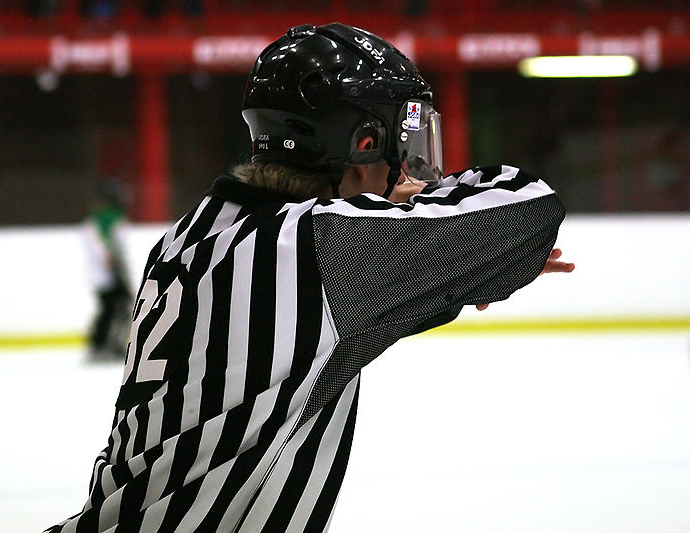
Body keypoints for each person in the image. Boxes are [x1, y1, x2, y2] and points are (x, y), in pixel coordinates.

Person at [48, 23, 574, 532]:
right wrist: (445, 238)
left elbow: (316, 341)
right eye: (405, 142)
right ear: (365, 143)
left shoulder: (192, 234)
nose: (412, 168)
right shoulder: (319, 245)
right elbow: (530, 208)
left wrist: (449, 267)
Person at [82, 178, 132, 361]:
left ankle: (105, 344)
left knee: (113, 308)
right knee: (114, 308)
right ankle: (105, 344)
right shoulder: (105, 220)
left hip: (110, 273)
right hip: (109, 274)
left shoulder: (100, 220)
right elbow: (105, 248)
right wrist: (111, 262)